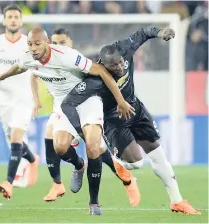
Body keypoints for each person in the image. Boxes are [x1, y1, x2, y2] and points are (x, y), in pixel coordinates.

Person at [0, 27, 137, 215]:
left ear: (46, 43)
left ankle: (94, 203)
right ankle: (79, 165)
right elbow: (19, 66)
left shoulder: (66, 55)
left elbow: (99, 69)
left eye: (37, 44)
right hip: (63, 105)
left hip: (87, 99)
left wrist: (120, 100)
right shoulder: (28, 57)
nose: (33, 48)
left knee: (93, 146)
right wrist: (1, 76)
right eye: (30, 44)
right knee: (60, 147)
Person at [61, 26, 201, 215]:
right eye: (114, 66)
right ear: (103, 65)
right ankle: (115, 160)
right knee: (136, 163)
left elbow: (143, 33)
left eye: (120, 62)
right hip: (114, 122)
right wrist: (80, 131)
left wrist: (160, 33)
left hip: (136, 110)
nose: (120, 67)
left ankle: (177, 201)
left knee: (158, 154)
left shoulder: (125, 48)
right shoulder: (93, 80)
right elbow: (68, 103)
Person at [36, 28, 140, 206]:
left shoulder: (75, 59)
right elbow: (33, 72)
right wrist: (35, 99)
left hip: (85, 104)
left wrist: (117, 101)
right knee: (55, 141)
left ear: (70, 43)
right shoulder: (45, 60)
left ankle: (127, 180)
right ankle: (68, 174)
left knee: (95, 149)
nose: (59, 46)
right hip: (62, 107)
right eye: (55, 43)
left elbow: (101, 75)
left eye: (62, 42)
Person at [0, 4, 39, 195]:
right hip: (3, 100)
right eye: (10, 17)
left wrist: (36, 98)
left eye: (16, 17)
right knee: (15, 141)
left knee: (15, 139)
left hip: (23, 98)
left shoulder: (29, 44)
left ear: (21, 21)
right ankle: (33, 159)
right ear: (4, 20)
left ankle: (8, 182)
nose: (13, 20)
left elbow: (36, 70)